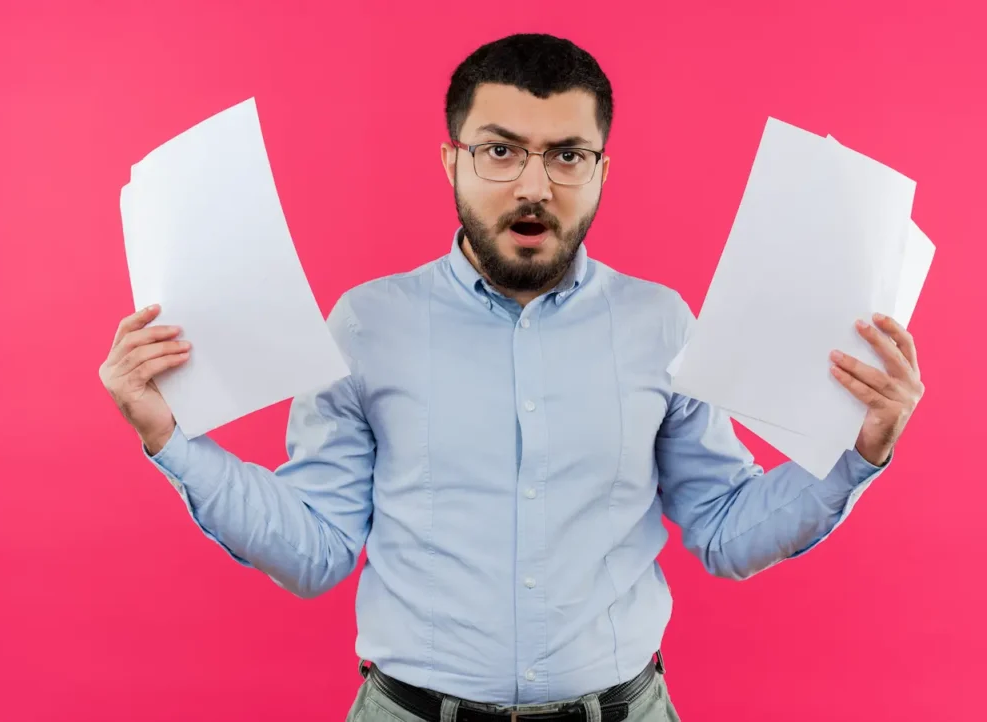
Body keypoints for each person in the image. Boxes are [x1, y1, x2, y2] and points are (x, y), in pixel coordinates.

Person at [99, 33, 925, 722]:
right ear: (451, 161)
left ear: (602, 170)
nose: (534, 186)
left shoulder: (662, 325)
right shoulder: (365, 324)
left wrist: (859, 452)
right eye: (500, 151)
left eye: (568, 154)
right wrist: (169, 437)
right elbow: (315, 548)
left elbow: (722, 526)